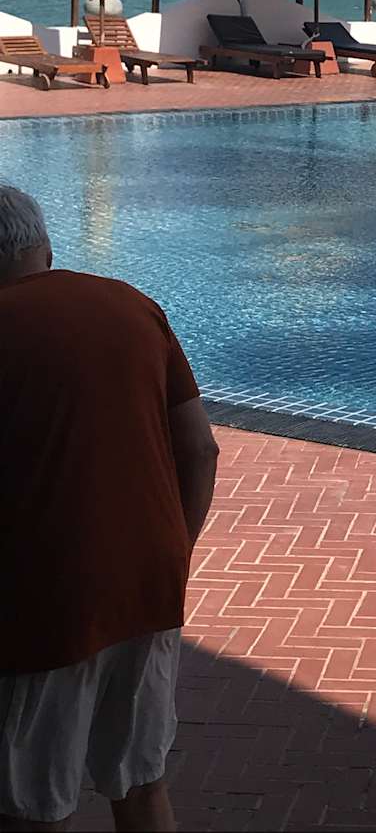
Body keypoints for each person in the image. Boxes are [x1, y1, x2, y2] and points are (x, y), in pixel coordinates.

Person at [0, 186, 219, 832]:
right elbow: (201, 449)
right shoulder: (132, 306)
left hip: (43, 607)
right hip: (147, 588)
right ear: (44, 246)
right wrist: (175, 553)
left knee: (34, 807)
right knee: (142, 787)